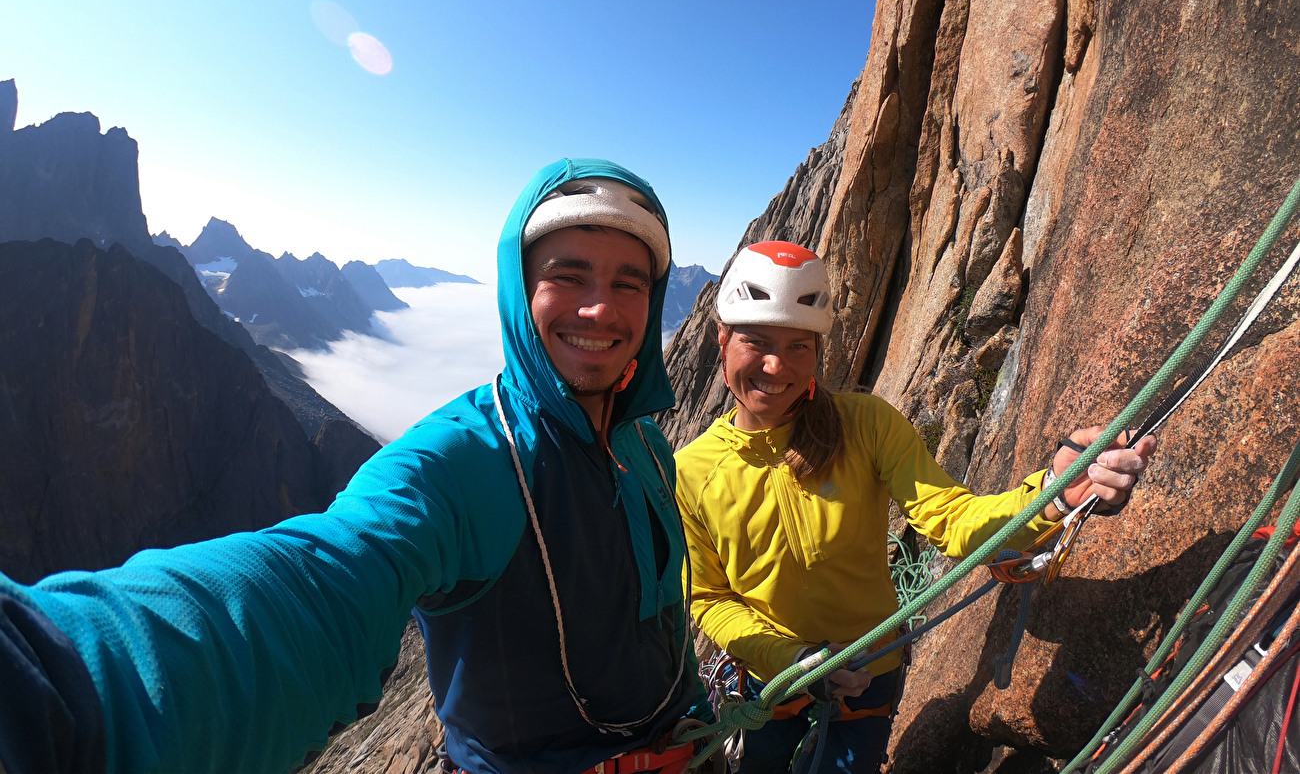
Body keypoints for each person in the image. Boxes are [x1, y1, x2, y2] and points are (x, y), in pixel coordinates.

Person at [0, 159, 712, 774]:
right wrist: (60, 680)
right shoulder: (465, 461)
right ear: (519, 292)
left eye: (629, 282)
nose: (600, 305)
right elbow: (323, 579)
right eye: (569, 273)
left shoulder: (643, 443)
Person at [674, 241, 1156, 774]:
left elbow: (949, 517)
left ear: (818, 350)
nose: (775, 365)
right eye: (755, 341)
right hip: (774, 680)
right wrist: (792, 662)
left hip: (866, 675)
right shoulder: (692, 472)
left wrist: (1053, 494)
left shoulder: (866, 425)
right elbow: (710, 597)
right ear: (722, 340)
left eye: (798, 346)